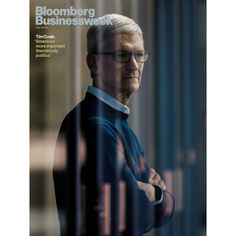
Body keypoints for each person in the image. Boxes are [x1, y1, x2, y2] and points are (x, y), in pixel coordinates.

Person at [53, 14, 174, 236]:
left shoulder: (115, 122)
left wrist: (152, 193)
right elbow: (134, 216)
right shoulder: (95, 126)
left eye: (139, 54)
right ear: (94, 63)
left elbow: (161, 214)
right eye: (122, 55)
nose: (134, 64)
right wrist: (156, 192)